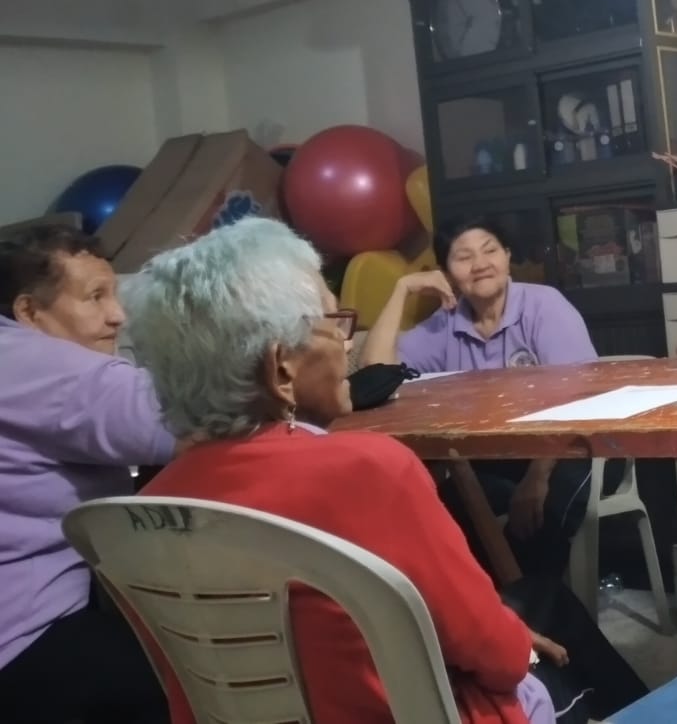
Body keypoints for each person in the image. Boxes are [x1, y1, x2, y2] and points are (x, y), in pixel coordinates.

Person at [127, 217, 647, 722]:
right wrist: (507, 638)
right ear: (280, 368)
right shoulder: (367, 469)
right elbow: (499, 658)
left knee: (532, 603)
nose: (347, 343)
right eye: (335, 323)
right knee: (547, 630)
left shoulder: (146, 510)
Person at [361, 215, 609, 578]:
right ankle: (502, 605)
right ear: (447, 272)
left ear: (507, 255)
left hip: (568, 449)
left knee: (541, 521)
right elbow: (374, 373)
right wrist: (402, 289)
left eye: (490, 250)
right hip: (491, 460)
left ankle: (525, 609)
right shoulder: (446, 324)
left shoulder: (544, 305)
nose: (480, 264)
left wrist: (536, 477)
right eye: (464, 257)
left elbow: (577, 399)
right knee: (436, 514)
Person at [0, 224, 171, 724]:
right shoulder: (30, 361)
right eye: (95, 297)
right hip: (27, 642)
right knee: (209, 672)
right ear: (29, 312)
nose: (117, 316)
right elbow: (188, 419)